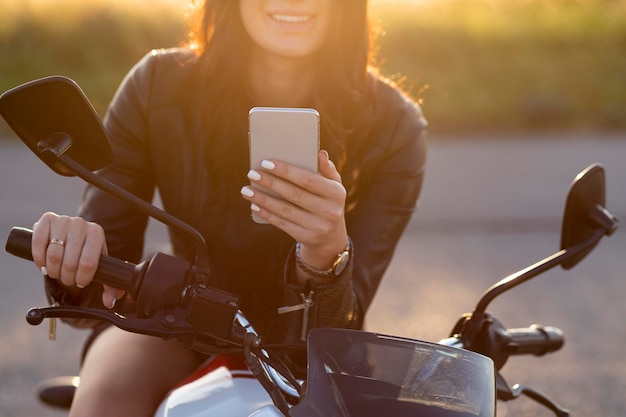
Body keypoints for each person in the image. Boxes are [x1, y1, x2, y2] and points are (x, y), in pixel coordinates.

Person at [31, 0, 427, 415]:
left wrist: (326, 254)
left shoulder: (397, 126)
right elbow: (101, 284)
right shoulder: (156, 84)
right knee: (106, 403)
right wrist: (74, 258)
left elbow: (344, 321)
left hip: (307, 347)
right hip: (175, 319)